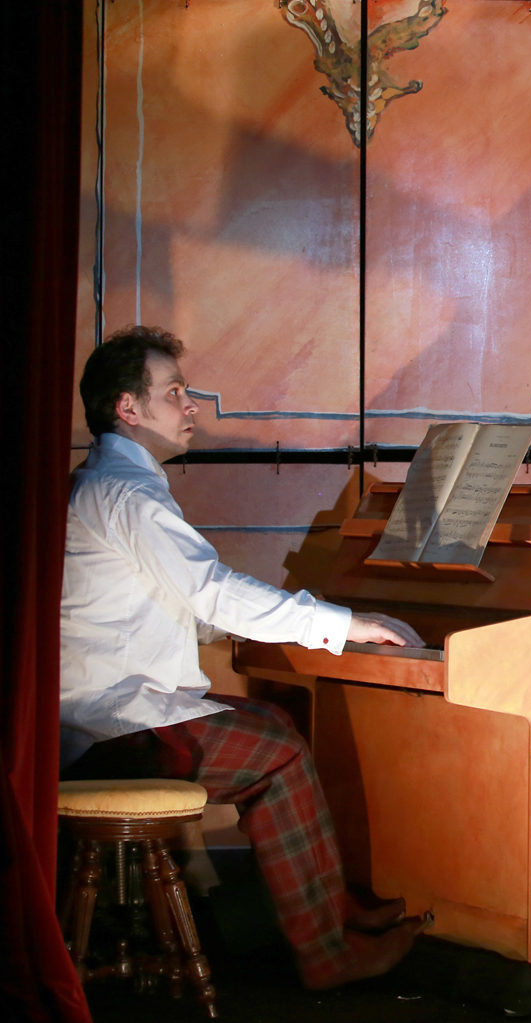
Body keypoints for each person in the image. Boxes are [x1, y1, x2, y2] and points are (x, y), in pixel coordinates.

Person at [60, 325, 430, 990]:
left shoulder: (109, 483)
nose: (191, 405)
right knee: (279, 751)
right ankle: (327, 953)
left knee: (277, 724)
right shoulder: (128, 493)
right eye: (174, 392)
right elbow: (211, 591)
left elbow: (188, 604)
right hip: (112, 729)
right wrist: (342, 623)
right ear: (128, 407)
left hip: (106, 712)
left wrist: (302, 622)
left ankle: (331, 906)